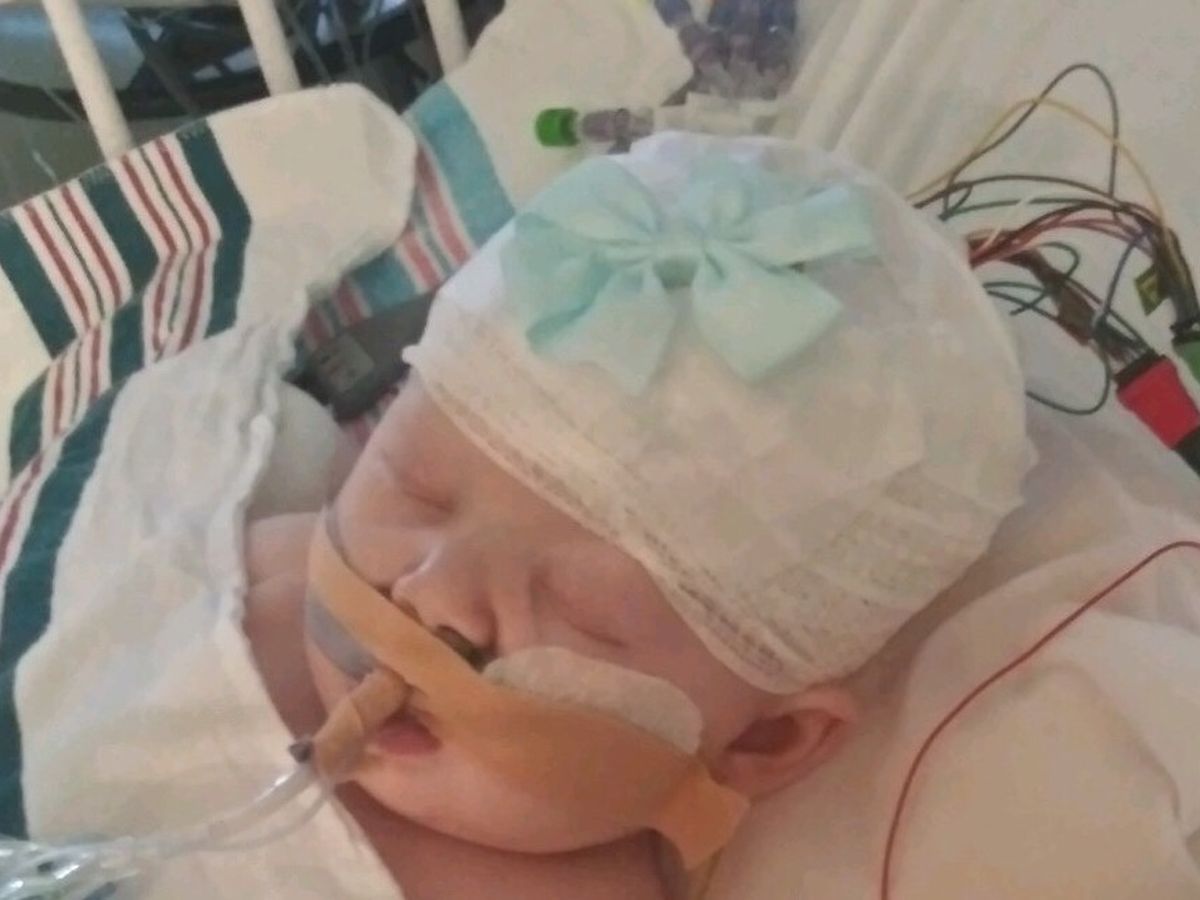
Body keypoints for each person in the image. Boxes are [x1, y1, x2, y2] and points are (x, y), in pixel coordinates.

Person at [244, 131, 1033, 899]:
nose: (434, 594)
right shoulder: (249, 577)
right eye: (413, 485)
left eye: (586, 608)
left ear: (762, 740)